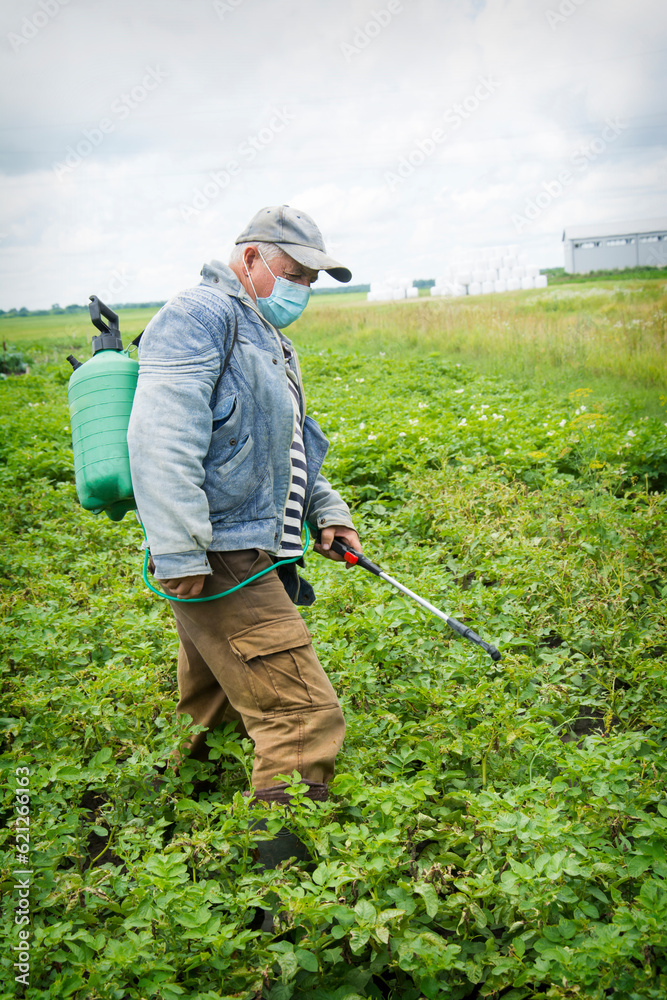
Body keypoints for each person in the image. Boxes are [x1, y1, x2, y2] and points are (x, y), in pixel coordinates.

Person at [127, 205, 360, 828]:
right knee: (302, 720)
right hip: (222, 554)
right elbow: (161, 438)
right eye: (296, 273)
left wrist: (325, 512)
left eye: (312, 280)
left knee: (213, 707)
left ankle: (172, 834)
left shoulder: (268, 337)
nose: (303, 289)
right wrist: (178, 551)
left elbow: (286, 445)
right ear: (251, 258)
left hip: (258, 547)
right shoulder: (199, 317)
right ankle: (282, 900)